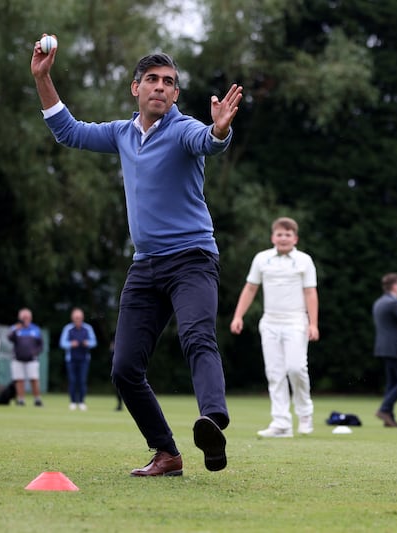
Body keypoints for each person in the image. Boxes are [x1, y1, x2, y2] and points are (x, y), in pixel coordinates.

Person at [32, 39, 242, 476]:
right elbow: (68, 130)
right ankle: (166, 453)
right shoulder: (122, 134)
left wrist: (220, 130)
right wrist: (42, 77)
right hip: (145, 265)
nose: (160, 88)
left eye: (169, 82)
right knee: (125, 368)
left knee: (196, 337)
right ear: (136, 88)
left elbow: (209, 141)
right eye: (152, 80)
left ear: (176, 94)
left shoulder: (183, 129)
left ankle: (213, 421)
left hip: (192, 259)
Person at [230, 217, 319, 438]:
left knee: (296, 368)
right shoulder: (262, 259)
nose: (283, 238)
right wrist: (238, 316)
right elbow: (250, 288)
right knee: (274, 373)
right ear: (273, 237)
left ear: (295, 238)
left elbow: (310, 293)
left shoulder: (304, 260)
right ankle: (281, 423)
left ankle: (305, 413)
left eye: (288, 234)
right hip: (270, 321)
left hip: (296, 320)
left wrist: (313, 323)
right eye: (279, 234)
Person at [371, 273, 397, 428]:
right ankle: (384, 409)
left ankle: (389, 418)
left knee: (392, 383)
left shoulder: (380, 302)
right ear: (395, 286)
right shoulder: (393, 303)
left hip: (384, 349)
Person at [59, 308, 98, 411]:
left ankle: (81, 402)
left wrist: (87, 343)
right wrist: (71, 344)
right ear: (72, 318)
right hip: (71, 360)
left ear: (82, 318)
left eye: (79, 317)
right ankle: (72, 402)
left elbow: (94, 342)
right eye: (76, 317)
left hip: (84, 359)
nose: (78, 319)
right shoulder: (68, 329)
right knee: (72, 380)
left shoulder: (88, 328)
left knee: (82, 381)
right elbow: (62, 343)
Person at [7, 308, 44, 407]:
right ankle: (21, 400)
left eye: (27, 317)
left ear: (30, 318)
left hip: (31, 359)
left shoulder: (35, 329)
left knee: (34, 379)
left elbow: (41, 345)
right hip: (18, 358)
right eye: (23, 317)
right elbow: (9, 338)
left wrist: (35, 352)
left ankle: (37, 399)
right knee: (19, 379)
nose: (25, 319)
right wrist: (16, 330)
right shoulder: (15, 328)